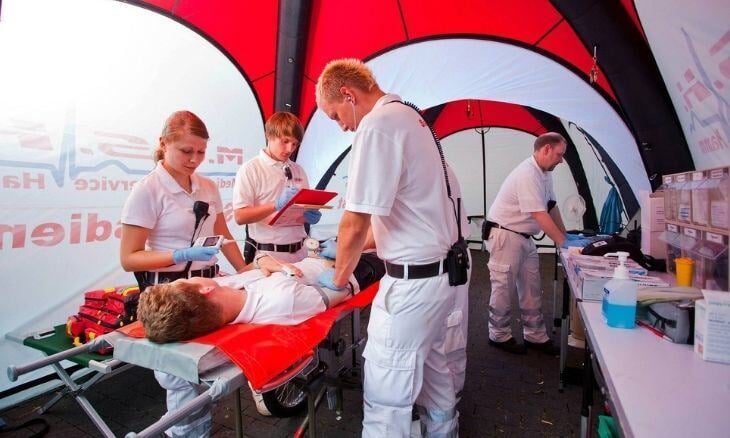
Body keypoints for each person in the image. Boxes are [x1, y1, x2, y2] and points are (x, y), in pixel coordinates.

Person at [315, 58, 467, 438]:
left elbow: (356, 220)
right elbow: (400, 215)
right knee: (433, 371)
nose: (342, 126)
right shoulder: (412, 119)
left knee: (387, 393)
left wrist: (339, 279)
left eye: (335, 115)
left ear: (348, 95)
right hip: (440, 277)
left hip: (412, 287)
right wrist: (348, 247)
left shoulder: (377, 126)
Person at [119, 110, 248, 437]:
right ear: (164, 144)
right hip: (169, 294)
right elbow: (129, 258)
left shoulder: (206, 185)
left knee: (207, 370)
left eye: (201, 152)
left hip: (207, 288)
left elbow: (223, 231)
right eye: (186, 151)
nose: (195, 160)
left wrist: (245, 270)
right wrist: (177, 256)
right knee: (180, 383)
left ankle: (200, 429)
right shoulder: (147, 190)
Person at [138, 251, 385, 343]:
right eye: (187, 279)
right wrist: (345, 255)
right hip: (355, 269)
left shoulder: (222, 290)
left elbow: (258, 260)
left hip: (317, 257)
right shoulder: (282, 301)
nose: (192, 278)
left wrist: (264, 260)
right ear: (204, 290)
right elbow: (341, 289)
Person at [484, 132, 574, 355]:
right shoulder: (527, 174)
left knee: (531, 287)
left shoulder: (544, 173)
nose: (561, 160)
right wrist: (563, 243)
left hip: (524, 237)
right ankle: (499, 334)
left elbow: (551, 206)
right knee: (503, 288)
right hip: (506, 236)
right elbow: (540, 215)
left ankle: (535, 336)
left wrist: (567, 239)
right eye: (559, 154)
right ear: (545, 149)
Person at [232, 112, 321, 265]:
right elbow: (240, 217)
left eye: (294, 144)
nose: (289, 149)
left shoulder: (298, 170)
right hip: (269, 254)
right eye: (285, 141)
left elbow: (298, 213)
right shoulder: (250, 169)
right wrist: (275, 205)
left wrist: (308, 215)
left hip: (301, 252)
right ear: (269, 135)